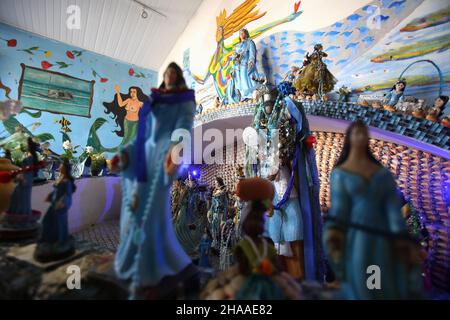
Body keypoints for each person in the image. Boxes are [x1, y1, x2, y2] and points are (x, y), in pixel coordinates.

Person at [112, 62, 197, 299]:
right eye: (166, 74)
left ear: (178, 77)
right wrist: (125, 154)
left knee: (151, 215)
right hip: (143, 155)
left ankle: (152, 268)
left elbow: (183, 129)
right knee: (133, 211)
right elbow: (142, 133)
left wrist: (175, 152)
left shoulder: (185, 101)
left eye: (173, 74)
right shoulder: (154, 101)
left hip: (163, 157)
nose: (169, 77)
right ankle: (134, 261)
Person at [323, 120, 423, 299]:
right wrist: (333, 230)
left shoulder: (382, 173)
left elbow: (393, 208)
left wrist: (401, 235)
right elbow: (339, 209)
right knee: (360, 278)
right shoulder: (340, 173)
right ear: (349, 138)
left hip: (382, 234)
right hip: (358, 235)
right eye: (357, 133)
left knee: (378, 279)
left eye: (364, 133)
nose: (361, 136)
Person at [34, 159, 76, 261]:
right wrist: (50, 196)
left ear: (65, 169)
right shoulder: (60, 178)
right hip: (54, 205)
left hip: (60, 206)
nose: (59, 167)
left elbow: (67, 194)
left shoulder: (67, 182)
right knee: (47, 221)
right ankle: (48, 240)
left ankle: (60, 241)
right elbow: (56, 190)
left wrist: (62, 203)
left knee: (59, 224)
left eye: (61, 166)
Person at [227, 29, 258, 103]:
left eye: (243, 33)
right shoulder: (237, 46)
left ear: (246, 34)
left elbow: (252, 54)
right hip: (238, 67)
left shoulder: (250, 42)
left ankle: (250, 96)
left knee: (246, 80)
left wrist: (251, 62)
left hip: (246, 65)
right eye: (240, 33)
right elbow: (234, 58)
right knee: (240, 82)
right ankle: (244, 96)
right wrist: (233, 68)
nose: (241, 34)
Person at [207, 177, 228, 250]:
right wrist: (210, 211)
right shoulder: (215, 191)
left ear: (219, 183)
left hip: (220, 213)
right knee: (213, 228)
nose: (215, 183)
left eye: (216, 182)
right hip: (214, 213)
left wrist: (224, 218)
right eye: (215, 182)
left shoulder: (223, 192)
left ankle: (220, 246)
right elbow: (213, 203)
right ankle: (215, 243)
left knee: (220, 230)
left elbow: (225, 205)